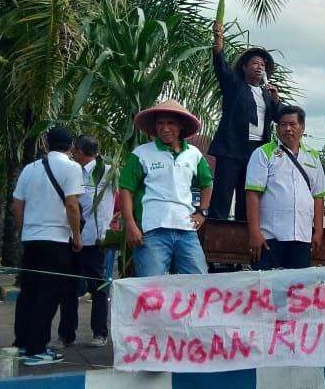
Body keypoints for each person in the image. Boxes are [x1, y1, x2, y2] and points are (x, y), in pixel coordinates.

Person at [12, 126, 83, 366]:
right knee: (49, 294)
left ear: (46, 143)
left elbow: (16, 206)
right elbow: (72, 206)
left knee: (28, 292)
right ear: (71, 146)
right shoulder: (72, 168)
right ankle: (37, 349)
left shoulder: (30, 169)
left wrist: (26, 230)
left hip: (31, 239)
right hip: (57, 240)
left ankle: (22, 344)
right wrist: (76, 236)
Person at [120, 100, 214, 276]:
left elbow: (207, 183)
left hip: (186, 230)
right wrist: (131, 224)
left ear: (181, 126)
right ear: (155, 127)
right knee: (151, 288)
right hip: (152, 231)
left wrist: (202, 212)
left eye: (170, 123)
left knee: (198, 282)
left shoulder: (194, 154)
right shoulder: (141, 153)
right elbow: (126, 189)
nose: (165, 128)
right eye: (160, 123)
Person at [207, 21, 280, 221]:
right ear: (245, 67)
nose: (260, 67)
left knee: (247, 194)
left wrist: (275, 100)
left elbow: (280, 117)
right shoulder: (235, 86)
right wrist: (218, 39)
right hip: (232, 147)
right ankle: (217, 236)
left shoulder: (267, 94)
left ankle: (242, 235)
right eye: (255, 63)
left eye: (263, 65)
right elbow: (220, 66)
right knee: (223, 194)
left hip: (256, 150)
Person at [245, 105, 325, 270]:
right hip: (270, 237)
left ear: (302, 127)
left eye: (293, 124)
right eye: (283, 125)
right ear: (277, 128)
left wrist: (318, 231)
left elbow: (319, 196)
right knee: (267, 290)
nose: (288, 129)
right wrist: (255, 232)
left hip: (302, 237)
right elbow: (252, 194)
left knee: (297, 291)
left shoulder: (313, 156)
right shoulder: (263, 153)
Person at [54, 135, 114, 349]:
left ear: (80, 150)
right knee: (68, 288)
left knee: (98, 288)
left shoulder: (109, 172)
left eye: (75, 150)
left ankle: (99, 332)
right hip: (70, 238)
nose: (72, 153)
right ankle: (66, 335)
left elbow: (126, 192)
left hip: (95, 239)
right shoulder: (71, 171)